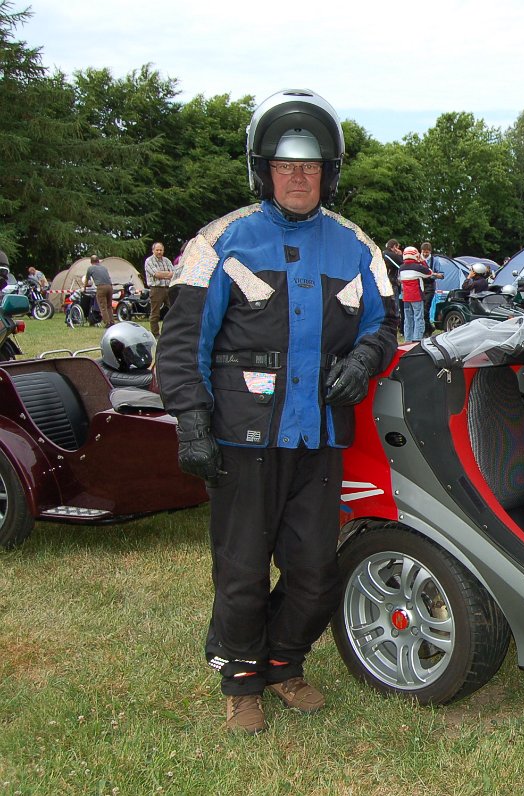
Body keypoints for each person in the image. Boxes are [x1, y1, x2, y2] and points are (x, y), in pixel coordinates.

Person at [156, 88, 398, 734]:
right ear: (262, 170)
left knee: (315, 571)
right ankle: (241, 677)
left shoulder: (355, 247)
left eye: (311, 166)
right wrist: (192, 421)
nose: (299, 176)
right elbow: (182, 343)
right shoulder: (222, 243)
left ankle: (284, 659)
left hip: (317, 439)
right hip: (240, 440)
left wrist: (365, 360)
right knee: (239, 569)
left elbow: (385, 324)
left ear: (329, 173)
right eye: (286, 165)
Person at [143, 241, 177, 337]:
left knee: (174, 309)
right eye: (157, 250)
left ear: (163, 251)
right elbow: (156, 274)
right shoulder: (149, 261)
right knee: (155, 313)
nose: (159, 252)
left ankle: (173, 331)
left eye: (161, 250)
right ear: (153, 250)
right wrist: (167, 274)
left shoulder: (166, 260)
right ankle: (155, 334)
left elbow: (174, 273)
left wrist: (163, 275)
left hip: (168, 288)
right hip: (156, 289)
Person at [398, 246, 432, 341]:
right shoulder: (417, 267)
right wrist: (422, 261)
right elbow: (429, 272)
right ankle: (416, 340)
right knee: (418, 319)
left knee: (407, 320)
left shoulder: (401, 268)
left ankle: (407, 341)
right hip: (416, 296)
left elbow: (399, 279)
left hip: (405, 297)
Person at [419, 241, 442, 337]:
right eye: (423, 252)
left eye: (427, 252)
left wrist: (432, 275)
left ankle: (426, 330)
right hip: (420, 286)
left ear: (430, 252)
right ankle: (428, 327)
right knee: (420, 308)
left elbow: (441, 274)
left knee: (426, 308)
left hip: (430, 286)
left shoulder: (435, 261)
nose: (425, 254)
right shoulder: (418, 260)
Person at [85, 254, 115, 327]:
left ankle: (107, 323)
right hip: (110, 286)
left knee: (103, 306)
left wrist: (85, 288)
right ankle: (112, 322)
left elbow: (87, 280)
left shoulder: (90, 268)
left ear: (91, 261)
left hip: (101, 287)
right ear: (98, 261)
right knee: (109, 306)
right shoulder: (104, 268)